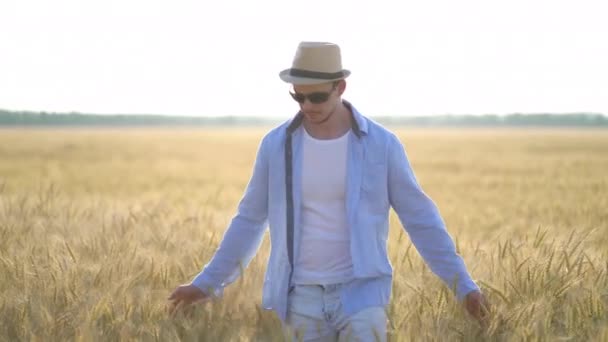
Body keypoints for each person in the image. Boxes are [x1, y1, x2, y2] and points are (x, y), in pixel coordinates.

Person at [169, 41, 489, 341]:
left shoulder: (382, 145)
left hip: (362, 295)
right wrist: (206, 284)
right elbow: (249, 220)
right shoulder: (275, 146)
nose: (307, 105)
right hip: (299, 299)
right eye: (298, 97)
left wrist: (464, 286)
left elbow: (421, 220)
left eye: (317, 97)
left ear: (340, 87)